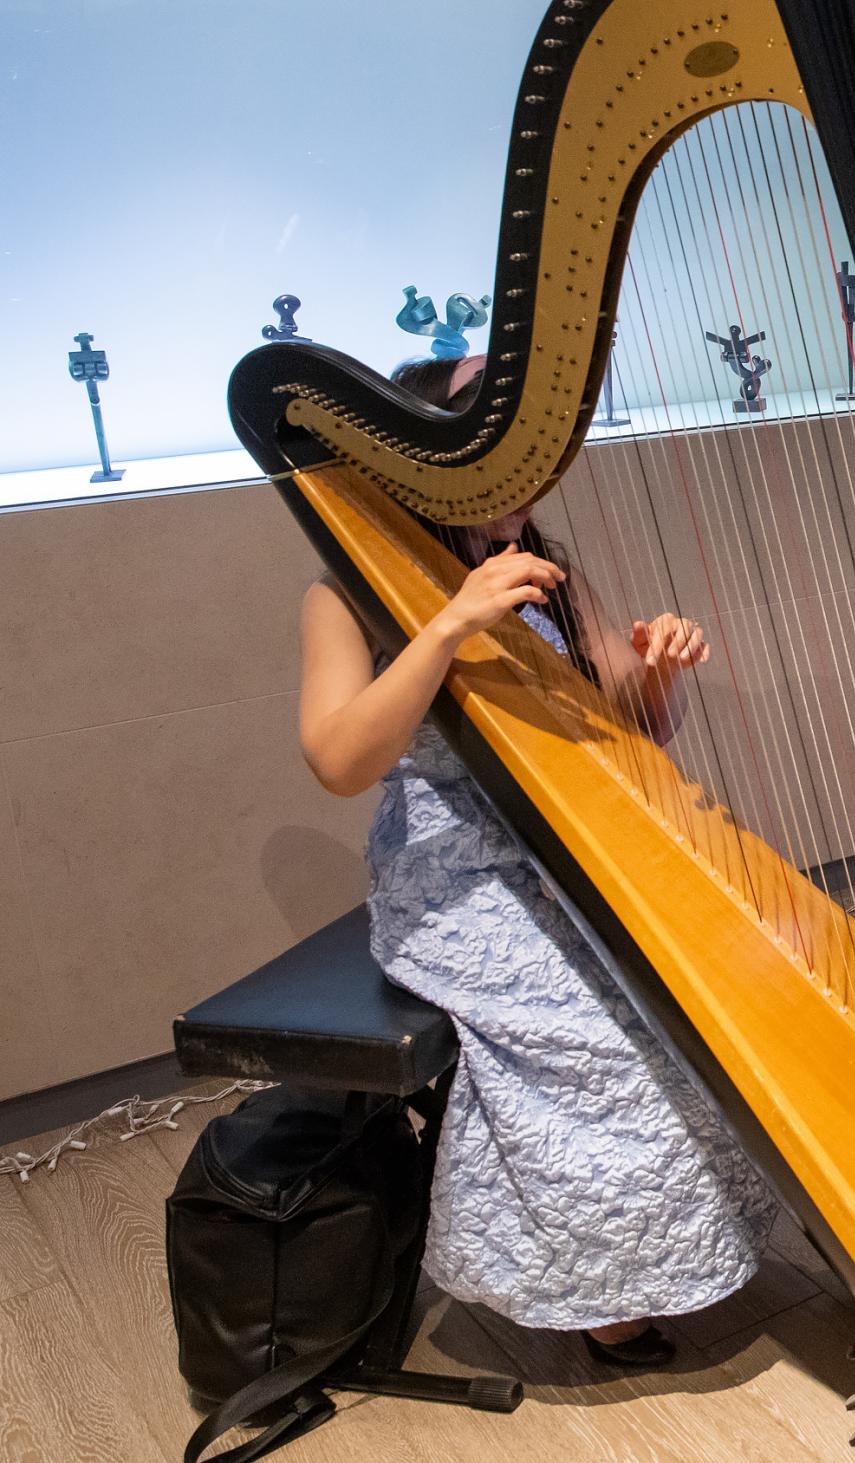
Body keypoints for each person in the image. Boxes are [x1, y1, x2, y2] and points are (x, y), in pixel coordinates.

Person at [297, 357, 774, 1363]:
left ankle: (698, 1238)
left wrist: (659, 667)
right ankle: (594, 1286)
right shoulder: (345, 590)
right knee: (602, 1035)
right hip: (453, 874)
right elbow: (339, 760)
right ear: (434, 465)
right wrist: (447, 625)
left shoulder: (547, 565)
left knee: (710, 985)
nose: (524, 490)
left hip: (575, 838)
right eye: (497, 459)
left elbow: (629, 724)